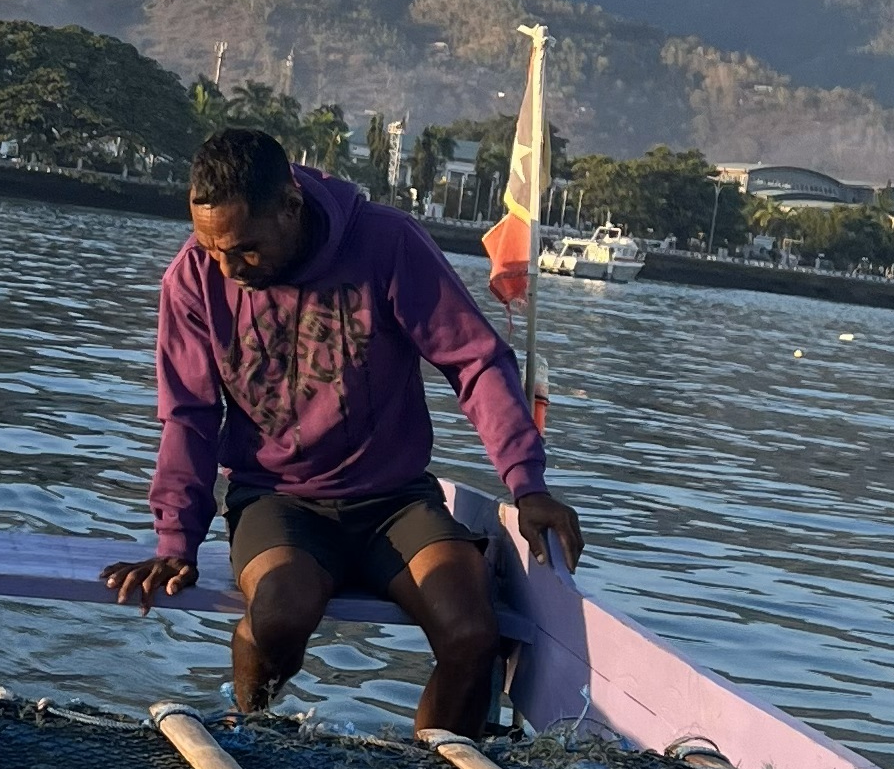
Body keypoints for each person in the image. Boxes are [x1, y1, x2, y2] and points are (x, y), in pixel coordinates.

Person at [103, 124, 582, 733]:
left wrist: (528, 484)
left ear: (290, 207)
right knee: (279, 614)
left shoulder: (386, 244)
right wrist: (176, 542)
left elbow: (477, 361)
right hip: (277, 500)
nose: (228, 266)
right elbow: (189, 416)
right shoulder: (194, 278)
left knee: (471, 634)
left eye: (245, 248)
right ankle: (249, 733)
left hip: (395, 503)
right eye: (213, 248)